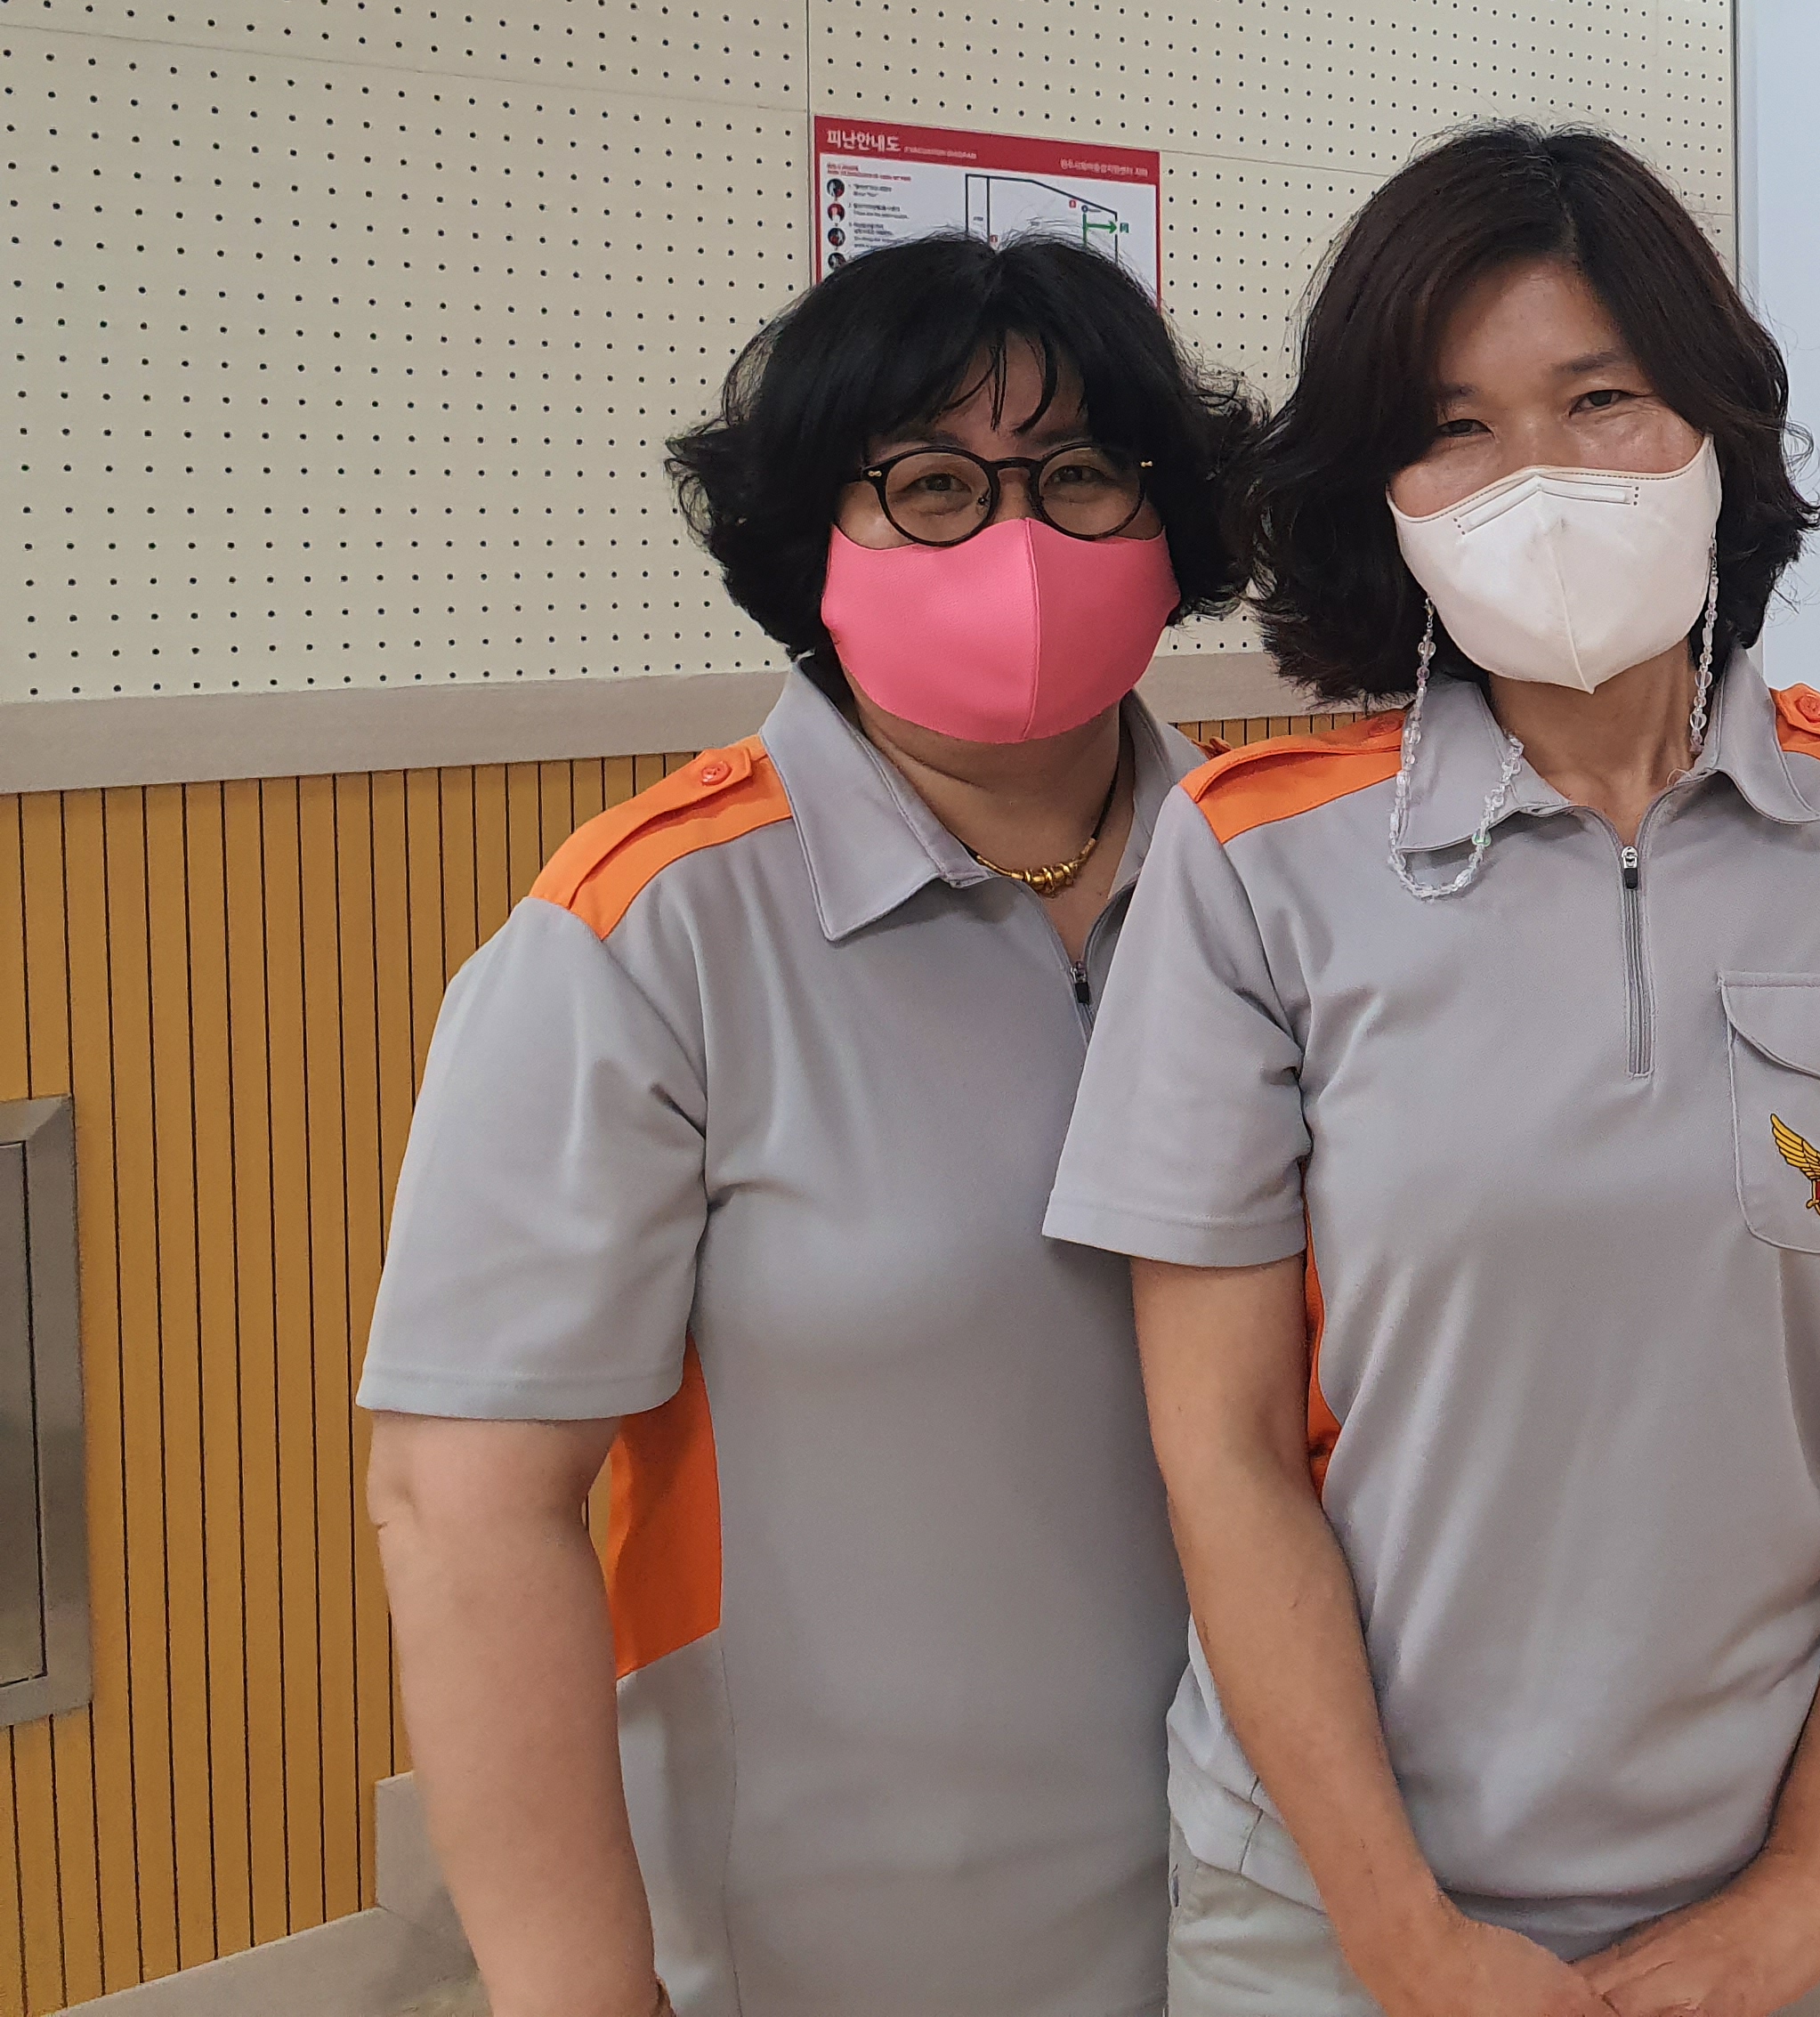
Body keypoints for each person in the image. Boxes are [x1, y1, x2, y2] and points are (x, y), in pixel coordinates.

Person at [1048, 126, 1820, 2017]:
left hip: (1789, 1878)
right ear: (1381, 489)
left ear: (1713, 425)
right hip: (1334, 1899)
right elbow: (1222, 1447)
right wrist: (1397, 1930)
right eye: (1451, 427)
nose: (1534, 477)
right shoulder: (1253, 860)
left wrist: (1817, 1877)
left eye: (1598, 399)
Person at [360, 237, 1256, 2017]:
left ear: (1170, 519)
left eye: (1081, 471)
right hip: (834, 1934)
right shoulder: (643, 936)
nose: (1016, 535)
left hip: (1280, 1899)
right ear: (809, 537)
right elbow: (463, 1510)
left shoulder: (1287, 882)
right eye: (930, 483)